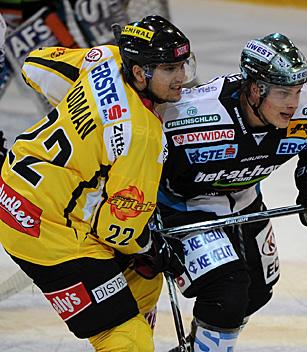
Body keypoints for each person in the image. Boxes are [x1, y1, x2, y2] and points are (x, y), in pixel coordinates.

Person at [0, 15, 194, 351]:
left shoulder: (104, 59)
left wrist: (92, 117)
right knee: (126, 338)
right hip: (44, 230)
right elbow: (116, 231)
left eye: (182, 66)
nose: (181, 79)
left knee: (144, 279)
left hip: (16, 184)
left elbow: (35, 66)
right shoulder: (143, 136)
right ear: (139, 73)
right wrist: (153, 245)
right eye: (168, 70)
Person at [158, 33, 307, 351]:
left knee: (257, 291)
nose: (293, 103)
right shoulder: (188, 116)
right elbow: (134, 157)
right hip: (183, 209)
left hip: (247, 204)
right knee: (227, 295)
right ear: (256, 89)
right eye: (283, 92)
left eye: (297, 91)